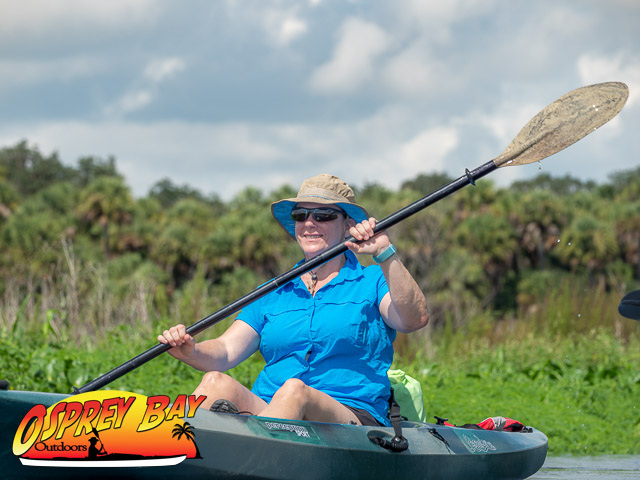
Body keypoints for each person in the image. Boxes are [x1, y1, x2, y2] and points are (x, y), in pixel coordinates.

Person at [158, 174, 428, 427]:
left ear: (348, 225)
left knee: (295, 391)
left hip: (350, 415)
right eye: (301, 215)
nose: (309, 223)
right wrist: (191, 350)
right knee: (215, 382)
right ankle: (167, 448)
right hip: (273, 408)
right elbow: (225, 351)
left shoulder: (373, 280)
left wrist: (385, 252)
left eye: (323, 215)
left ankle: (252, 452)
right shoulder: (272, 292)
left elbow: (413, 319)